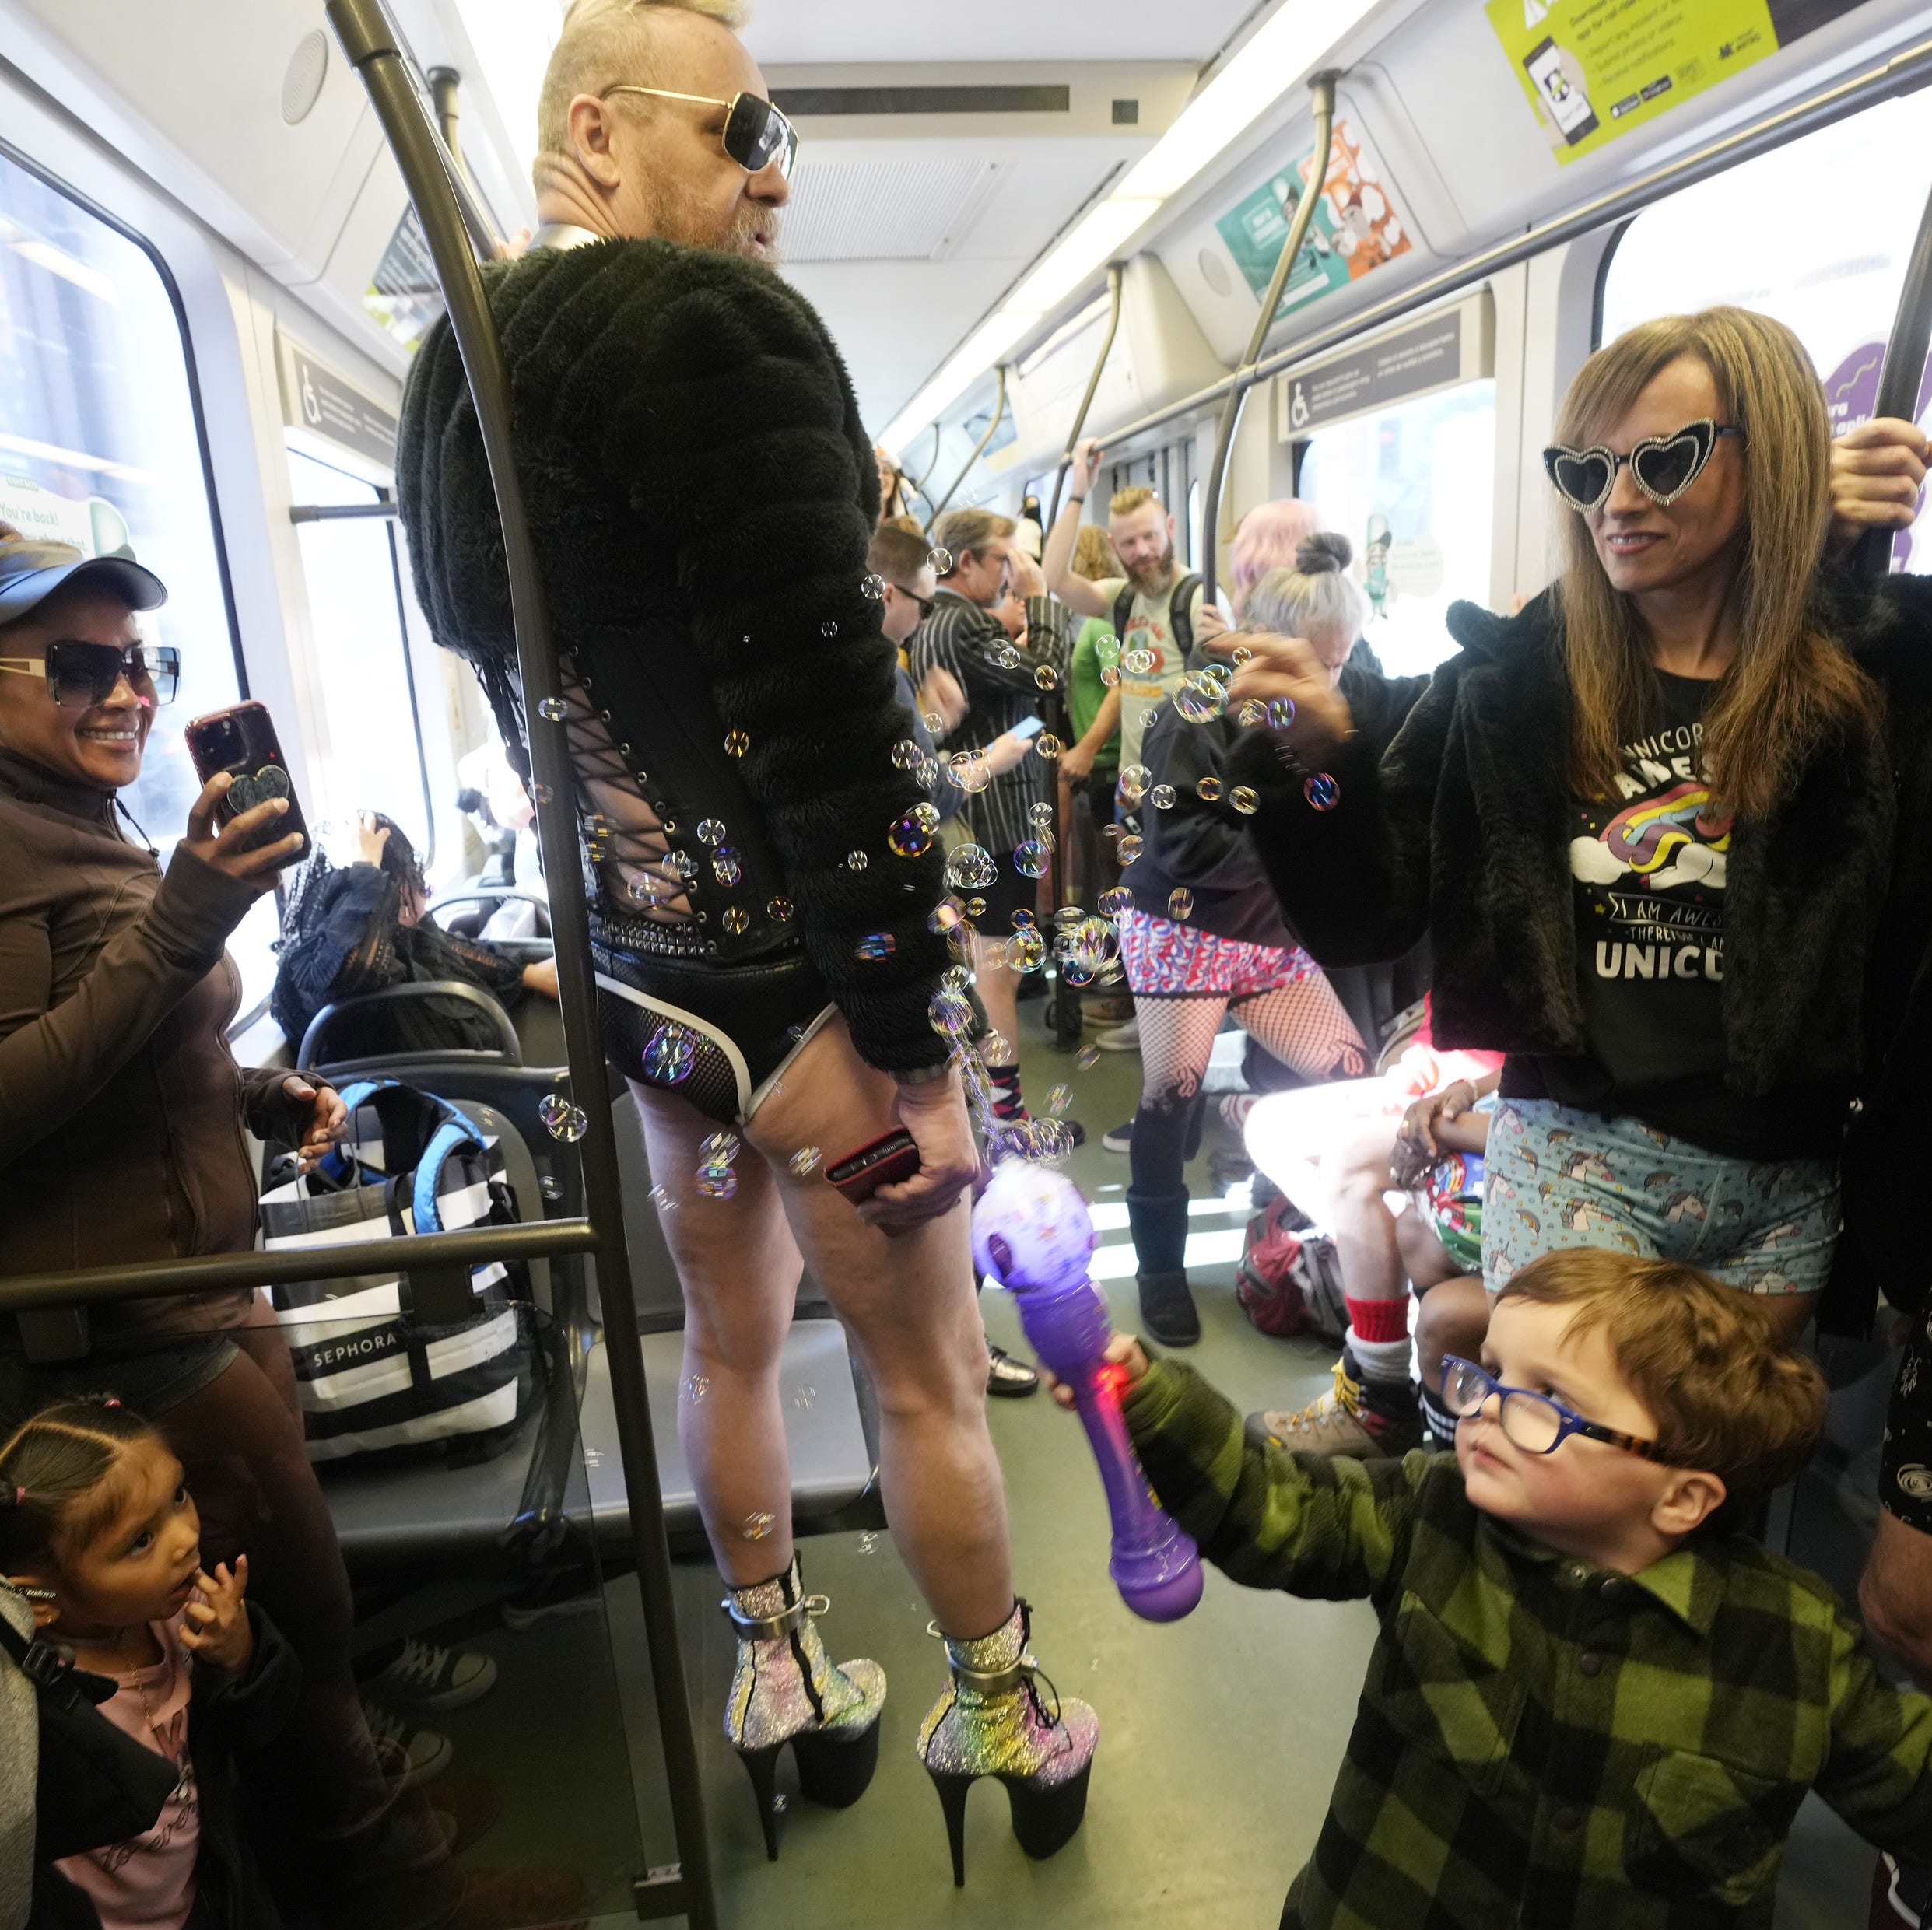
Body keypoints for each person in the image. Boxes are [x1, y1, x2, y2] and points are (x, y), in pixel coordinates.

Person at [395, 0, 1096, 1869]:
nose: (775, 171)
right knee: (928, 1375)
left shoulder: (442, 371)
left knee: (724, 1345)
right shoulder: (715, 330)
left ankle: (778, 1667)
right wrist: (907, 1023)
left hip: (644, 1000)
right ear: (603, 130)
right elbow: (830, 744)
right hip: (814, 1014)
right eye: (743, 128)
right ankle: (1005, 1716)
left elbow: (531, 703)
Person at [0, 530, 562, 1929]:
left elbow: (121, 1046)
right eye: (80, 666)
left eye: (141, 664)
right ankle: (403, 1894)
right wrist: (191, 909)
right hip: (129, 1319)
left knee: (277, 1620)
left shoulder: (76, 812)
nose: (124, 694)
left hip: (201, 1278)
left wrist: (254, 1092)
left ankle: (341, 1843)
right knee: (288, 1622)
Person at [1227, 307, 1932, 1356]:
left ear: (1772, 459)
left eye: (1664, 458)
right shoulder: (1509, 685)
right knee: (1583, 1483)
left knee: (1697, 1486)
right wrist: (1314, 770)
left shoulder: (1872, 669)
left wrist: (1820, 549)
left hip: (1780, 1184)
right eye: (1586, 468)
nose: (1618, 499)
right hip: (1572, 1157)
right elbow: (1366, 913)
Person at [1072, 1248, 1932, 1929]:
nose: (1482, 1406)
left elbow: (1907, 1782)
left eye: (1545, 1398)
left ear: (1679, 1496)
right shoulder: (1430, 1510)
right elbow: (1277, 1511)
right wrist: (1154, 1403)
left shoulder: (1791, 1645)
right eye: (1488, 1372)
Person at [1110, 541, 1386, 1348]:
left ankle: (1278, 1211)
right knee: (1171, 1089)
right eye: (1317, 662)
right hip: (1180, 925)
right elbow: (1181, 846)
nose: (1330, 683)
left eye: (1339, 662)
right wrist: (1293, 849)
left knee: (1344, 1071)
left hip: (1261, 931)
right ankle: (1158, 1267)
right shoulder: (1190, 714)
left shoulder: (1336, 709)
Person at [2, 1396, 300, 1930]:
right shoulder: (30, 1704)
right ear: (38, 1600)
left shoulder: (177, 1615)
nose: (187, 1537)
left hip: (210, 1888)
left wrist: (239, 1654)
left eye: (179, 1495)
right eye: (140, 1540)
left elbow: (255, 1733)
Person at [910, 505, 1078, 1136]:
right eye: (1002, 560)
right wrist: (1041, 604)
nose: (1012, 572)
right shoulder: (960, 625)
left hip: (984, 825)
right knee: (996, 976)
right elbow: (1049, 677)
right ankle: (1006, 1121)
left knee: (987, 970)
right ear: (966, 562)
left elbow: (1018, 703)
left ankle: (990, 1111)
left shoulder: (948, 622)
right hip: (987, 828)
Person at [272, 811, 561, 1060]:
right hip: (431, 1084)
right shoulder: (330, 968)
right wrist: (366, 873)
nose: (422, 896)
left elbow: (451, 948)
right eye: (411, 881)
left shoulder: (401, 933)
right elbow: (354, 968)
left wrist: (526, 973)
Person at [1041, 435, 1226, 783]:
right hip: (1134, 781)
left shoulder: (1199, 597)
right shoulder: (1121, 598)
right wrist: (1079, 491)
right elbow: (1054, 578)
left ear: (1170, 529)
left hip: (1183, 778)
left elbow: (1227, 688)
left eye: (1150, 536)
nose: (1142, 551)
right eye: (1129, 542)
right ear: (1114, 547)